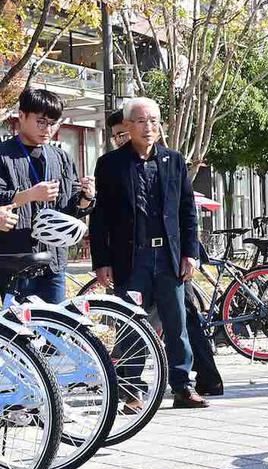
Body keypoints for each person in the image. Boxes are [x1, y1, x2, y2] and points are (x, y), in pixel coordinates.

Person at [90, 97, 208, 409]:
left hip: (169, 256)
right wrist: (101, 261)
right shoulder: (111, 165)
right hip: (132, 258)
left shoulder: (173, 160)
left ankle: (182, 386)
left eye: (154, 120)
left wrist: (190, 253)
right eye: (141, 121)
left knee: (176, 322)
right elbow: (100, 217)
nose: (149, 127)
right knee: (131, 322)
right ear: (127, 126)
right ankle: (130, 389)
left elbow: (187, 212)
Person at [0, 88, 95, 302]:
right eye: (41, 122)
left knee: (56, 326)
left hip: (54, 259)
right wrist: (29, 195)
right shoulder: (3, 154)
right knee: (21, 330)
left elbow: (70, 209)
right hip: (16, 260)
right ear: (21, 116)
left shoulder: (60, 157)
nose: (47, 129)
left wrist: (86, 197)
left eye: (53, 123)